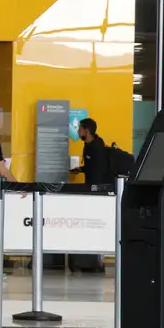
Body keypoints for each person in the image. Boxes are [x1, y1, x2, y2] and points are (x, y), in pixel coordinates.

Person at [68, 117, 109, 273]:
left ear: (87, 131)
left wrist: (95, 189)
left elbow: (100, 170)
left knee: (98, 222)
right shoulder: (88, 145)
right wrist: (81, 169)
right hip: (90, 189)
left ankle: (98, 258)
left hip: (97, 191)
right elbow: (91, 166)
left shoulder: (98, 147)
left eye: (80, 129)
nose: (78, 132)